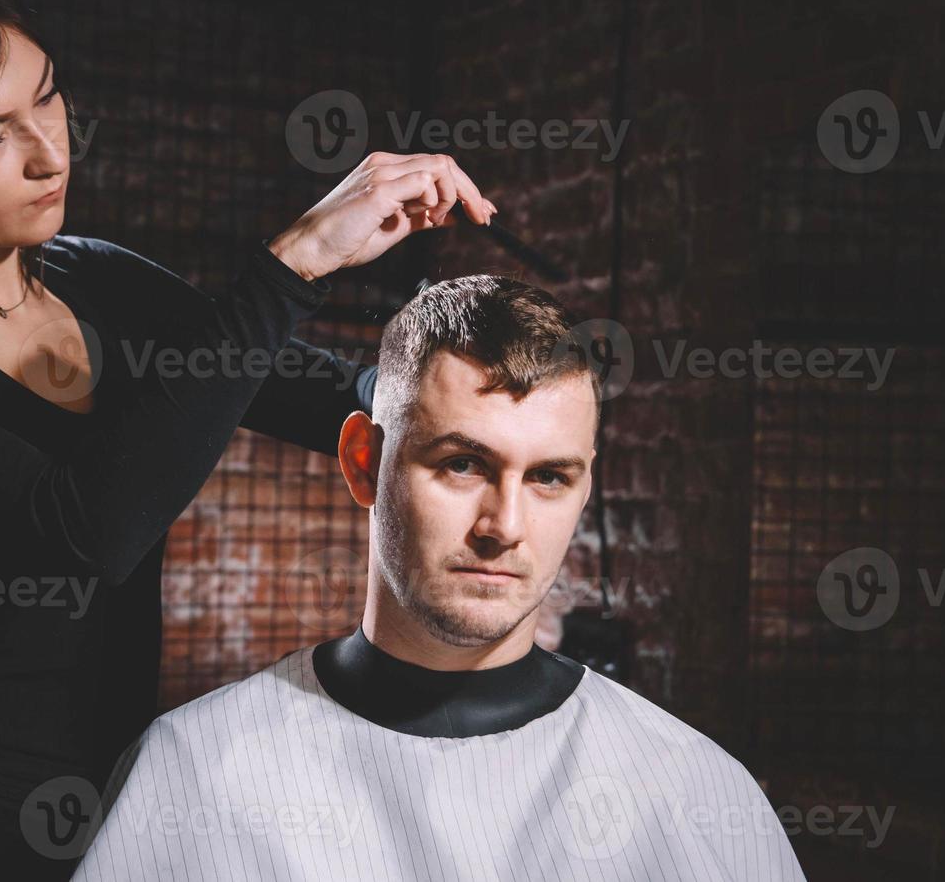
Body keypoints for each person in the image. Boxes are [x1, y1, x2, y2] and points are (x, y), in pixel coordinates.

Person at [0, 0, 496, 881]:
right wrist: (297, 260)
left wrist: (488, 384)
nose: (47, 151)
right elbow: (81, 531)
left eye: (47, 94)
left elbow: (337, 399)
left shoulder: (96, 283)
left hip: (113, 830)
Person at [71, 276, 808, 882]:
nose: (503, 524)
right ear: (364, 462)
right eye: (463, 464)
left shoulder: (697, 797)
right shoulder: (193, 775)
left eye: (550, 476)